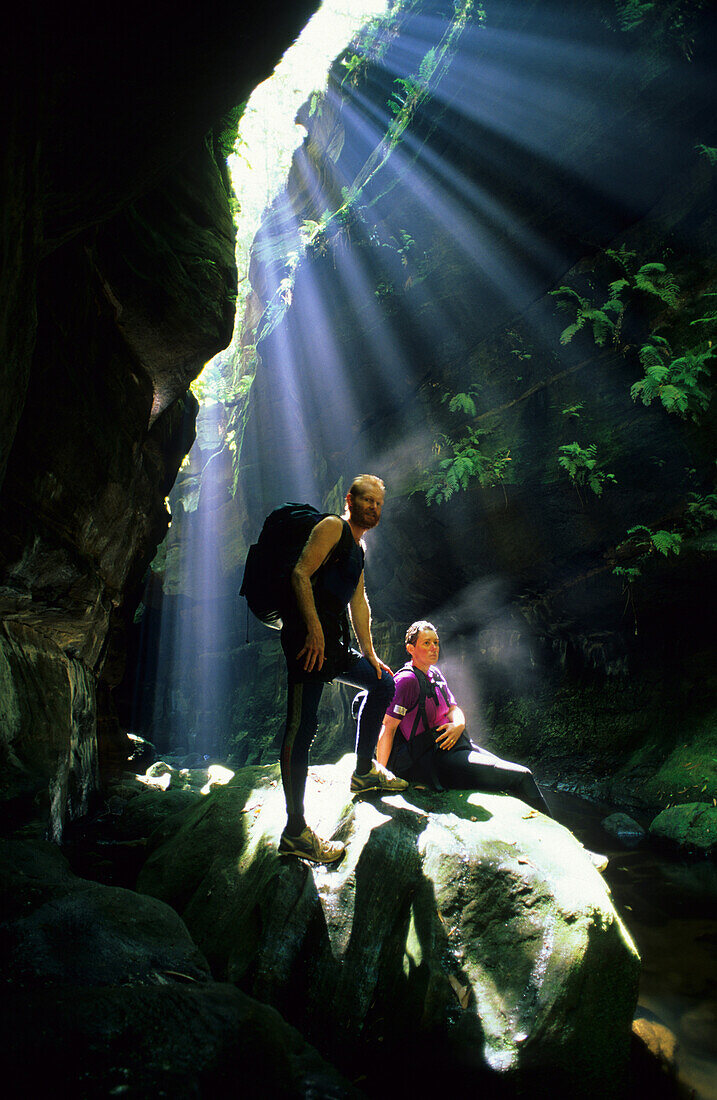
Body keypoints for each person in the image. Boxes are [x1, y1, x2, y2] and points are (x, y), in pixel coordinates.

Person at [277, 474, 408, 865]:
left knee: (383, 684)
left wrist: (369, 653)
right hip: (307, 642)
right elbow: (300, 573)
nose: (374, 508)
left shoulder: (358, 547)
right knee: (302, 727)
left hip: (333, 644)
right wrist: (314, 630)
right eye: (367, 500)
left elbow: (359, 601)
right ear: (350, 499)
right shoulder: (332, 527)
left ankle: (364, 771)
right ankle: (295, 831)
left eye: (379, 504)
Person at [376, 620, 552, 814]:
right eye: (426, 643)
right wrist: (381, 777)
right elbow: (388, 728)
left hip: (456, 745)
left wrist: (459, 725)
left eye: (436, 642)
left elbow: (453, 709)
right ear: (411, 648)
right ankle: (556, 840)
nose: (434, 647)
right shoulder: (405, 681)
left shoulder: (434, 674)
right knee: (522, 776)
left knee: (510, 774)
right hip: (434, 760)